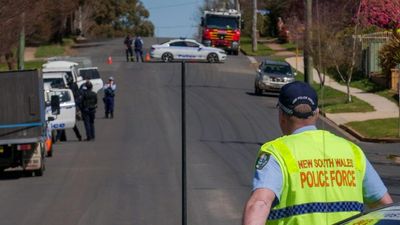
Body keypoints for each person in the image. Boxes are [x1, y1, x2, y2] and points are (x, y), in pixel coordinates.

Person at [242, 81, 393, 225]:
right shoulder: (352, 151)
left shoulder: (276, 153)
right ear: (317, 113)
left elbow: (260, 203)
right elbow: (386, 206)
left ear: (282, 115)